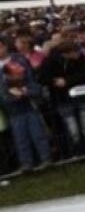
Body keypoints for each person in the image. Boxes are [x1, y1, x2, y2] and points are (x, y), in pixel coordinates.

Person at [0, 37, 51, 172]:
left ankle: (46, 158)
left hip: (27, 102)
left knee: (37, 132)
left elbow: (30, 78)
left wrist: (27, 91)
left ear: (5, 46)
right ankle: (26, 163)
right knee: (20, 137)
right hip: (10, 108)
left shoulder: (19, 59)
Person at [38, 41, 85, 156]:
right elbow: (42, 78)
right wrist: (54, 82)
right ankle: (77, 151)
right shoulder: (50, 61)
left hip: (80, 95)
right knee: (72, 129)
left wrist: (67, 81)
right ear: (68, 53)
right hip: (62, 98)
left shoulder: (80, 59)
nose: (78, 54)